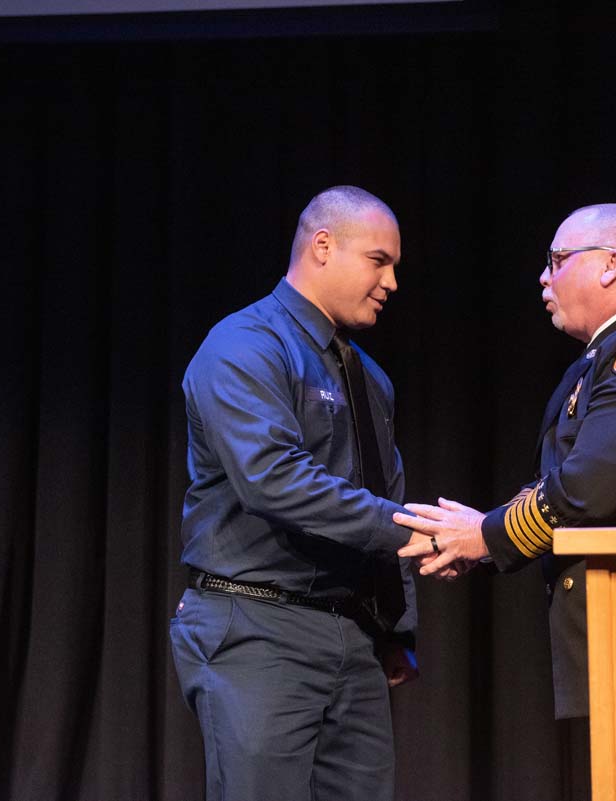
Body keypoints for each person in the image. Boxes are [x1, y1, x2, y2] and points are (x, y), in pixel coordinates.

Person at [396, 203, 616, 724]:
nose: (544, 277)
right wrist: (481, 539)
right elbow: (562, 483)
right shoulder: (609, 354)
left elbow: (587, 488)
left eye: (557, 260)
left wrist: (486, 535)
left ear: (610, 264)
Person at [171, 186, 422, 801]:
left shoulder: (371, 378)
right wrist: (409, 530)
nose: (391, 282)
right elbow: (274, 480)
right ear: (322, 246)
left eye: (395, 266)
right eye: (378, 261)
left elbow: (386, 492)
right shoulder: (245, 346)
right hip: (259, 626)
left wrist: (397, 629)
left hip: (352, 635)